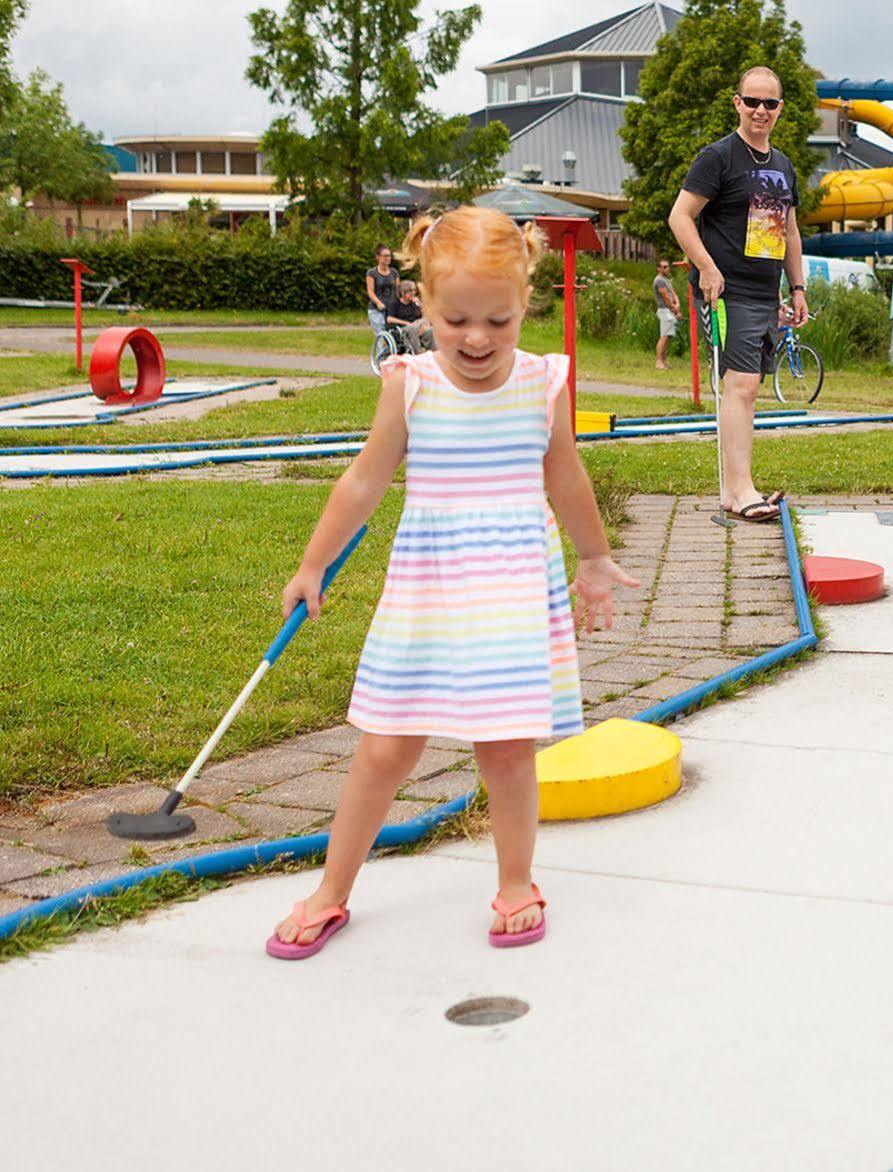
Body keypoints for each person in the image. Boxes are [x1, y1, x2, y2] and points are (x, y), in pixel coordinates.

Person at [266, 205, 639, 959]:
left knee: (505, 749)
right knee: (384, 748)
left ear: (524, 302)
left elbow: (564, 476)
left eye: (497, 321)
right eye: (455, 318)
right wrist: (312, 563)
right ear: (423, 305)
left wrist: (594, 557)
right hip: (428, 589)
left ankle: (515, 883)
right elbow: (364, 482)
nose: (476, 338)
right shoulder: (408, 383)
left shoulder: (542, 382)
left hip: (509, 588)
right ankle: (331, 891)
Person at [667, 64, 808, 523]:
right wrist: (705, 267)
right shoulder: (719, 157)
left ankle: (735, 490)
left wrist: (797, 287)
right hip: (725, 289)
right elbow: (680, 217)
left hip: (766, 294)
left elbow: (786, 231)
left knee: (747, 390)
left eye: (769, 103)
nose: (760, 111)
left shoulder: (782, 166)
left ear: (780, 109)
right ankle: (741, 489)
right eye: (752, 101)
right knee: (740, 385)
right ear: (738, 103)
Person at [651, 258, 681, 369]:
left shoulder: (666, 280)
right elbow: (666, 298)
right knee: (663, 336)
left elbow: (673, 294)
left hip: (670, 310)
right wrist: (675, 310)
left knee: (667, 336)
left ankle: (664, 360)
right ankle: (659, 362)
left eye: (667, 266)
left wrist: (677, 304)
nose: (666, 269)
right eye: (663, 267)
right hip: (664, 310)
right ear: (658, 268)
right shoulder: (659, 280)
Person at [384, 278, 427, 350]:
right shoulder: (394, 303)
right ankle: (418, 352)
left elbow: (423, 317)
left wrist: (420, 305)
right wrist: (406, 323)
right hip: (401, 329)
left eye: (414, 290)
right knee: (412, 328)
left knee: (430, 328)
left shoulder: (414, 303)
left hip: (415, 326)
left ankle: (435, 353)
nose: (413, 293)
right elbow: (389, 319)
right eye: (410, 291)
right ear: (403, 292)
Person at [365, 245, 398, 335]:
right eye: (385, 256)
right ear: (378, 257)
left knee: (395, 336)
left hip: (391, 310)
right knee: (382, 337)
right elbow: (370, 291)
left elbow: (398, 290)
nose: (388, 258)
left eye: (389, 256)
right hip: (376, 310)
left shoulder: (394, 272)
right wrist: (378, 303)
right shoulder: (372, 273)